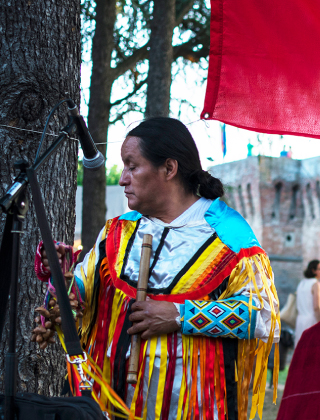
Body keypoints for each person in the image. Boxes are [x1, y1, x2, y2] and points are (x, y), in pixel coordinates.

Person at [30, 117, 281, 419]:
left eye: (132, 166)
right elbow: (75, 305)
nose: (122, 178)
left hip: (192, 408)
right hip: (110, 405)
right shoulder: (117, 233)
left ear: (169, 169)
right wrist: (62, 276)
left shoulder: (230, 235)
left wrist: (180, 316)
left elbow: (263, 315)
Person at [294, 260, 320, 347]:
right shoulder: (316, 284)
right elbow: (316, 306)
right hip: (312, 321)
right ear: (314, 270)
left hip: (300, 320)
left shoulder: (302, 283)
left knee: (300, 348)